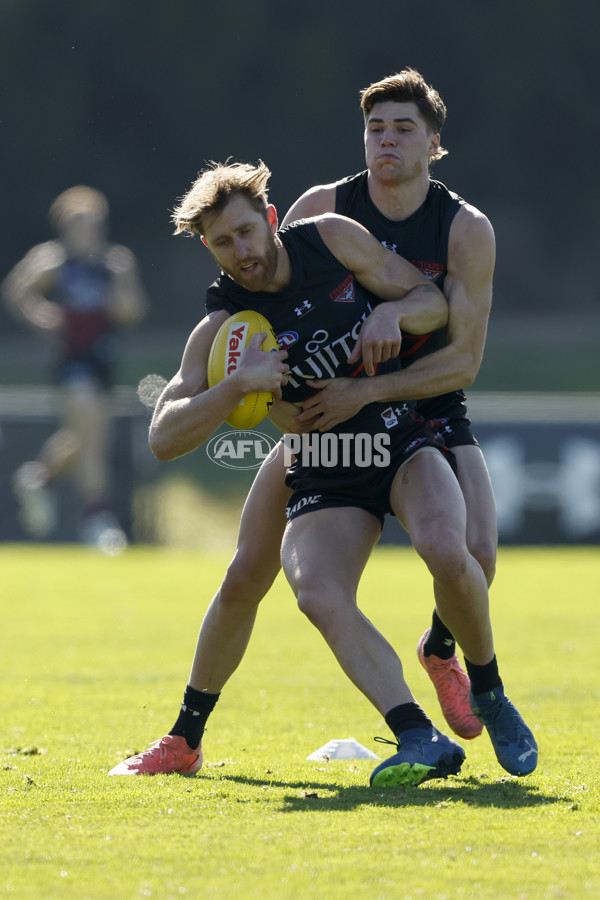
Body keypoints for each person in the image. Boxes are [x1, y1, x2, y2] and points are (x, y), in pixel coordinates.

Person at [110, 160, 537, 786]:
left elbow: (429, 300)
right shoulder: (224, 325)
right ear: (208, 248)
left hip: (398, 435)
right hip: (323, 462)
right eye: (223, 243)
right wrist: (235, 387)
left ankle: (489, 693)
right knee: (293, 587)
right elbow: (163, 435)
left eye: (247, 232)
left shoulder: (332, 238)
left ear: (272, 219)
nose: (241, 252)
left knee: (455, 550)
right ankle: (414, 735)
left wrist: (394, 315)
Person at [2, 185, 148, 551]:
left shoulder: (116, 262)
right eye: (81, 223)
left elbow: (134, 312)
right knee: (87, 416)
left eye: (96, 222)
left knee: (85, 434)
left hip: (103, 361)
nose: (90, 230)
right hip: (71, 362)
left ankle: (41, 477)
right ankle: (95, 517)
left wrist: (118, 295)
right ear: (65, 226)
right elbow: (16, 290)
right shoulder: (53, 260)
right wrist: (42, 317)